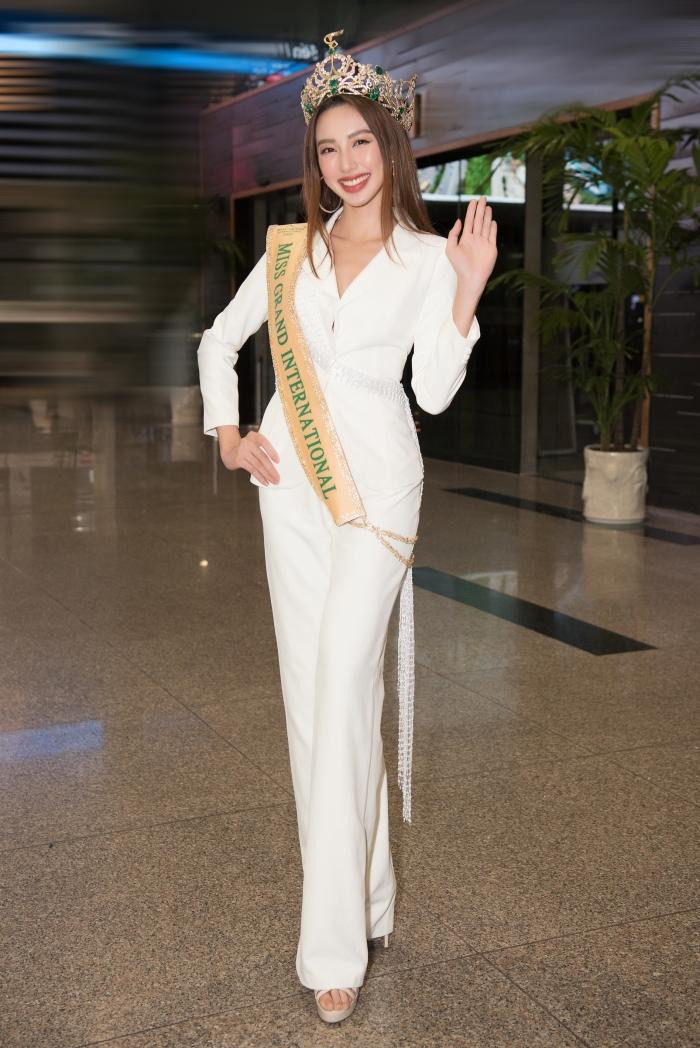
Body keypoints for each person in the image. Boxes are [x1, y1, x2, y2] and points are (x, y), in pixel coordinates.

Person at [196, 29, 497, 1024]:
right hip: (290, 488)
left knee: (337, 687)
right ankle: (367, 897)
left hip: (377, 496)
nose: (345, 164)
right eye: (328, 149)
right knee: (315, 701)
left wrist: (466, 291)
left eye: (360, 142)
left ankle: (333, 949)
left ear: (391, 144)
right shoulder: (292, 251)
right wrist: (230, 435)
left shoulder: (426, 258)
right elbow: (219, 341)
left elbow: (435, 392)